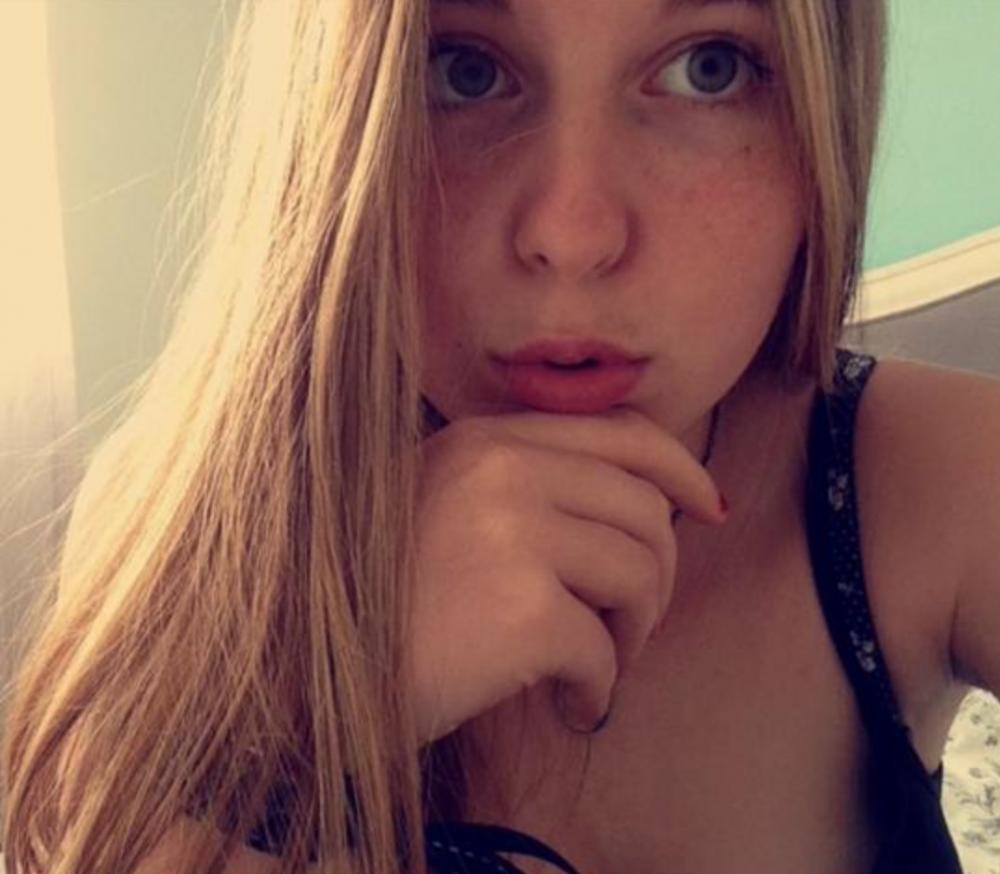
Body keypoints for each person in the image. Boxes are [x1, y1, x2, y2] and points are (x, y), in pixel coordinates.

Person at [3, 0, 998, 872]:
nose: (571, 233)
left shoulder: (934, 479)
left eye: (710, 68)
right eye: (464, 71)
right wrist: (323, 724)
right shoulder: (174, 538)